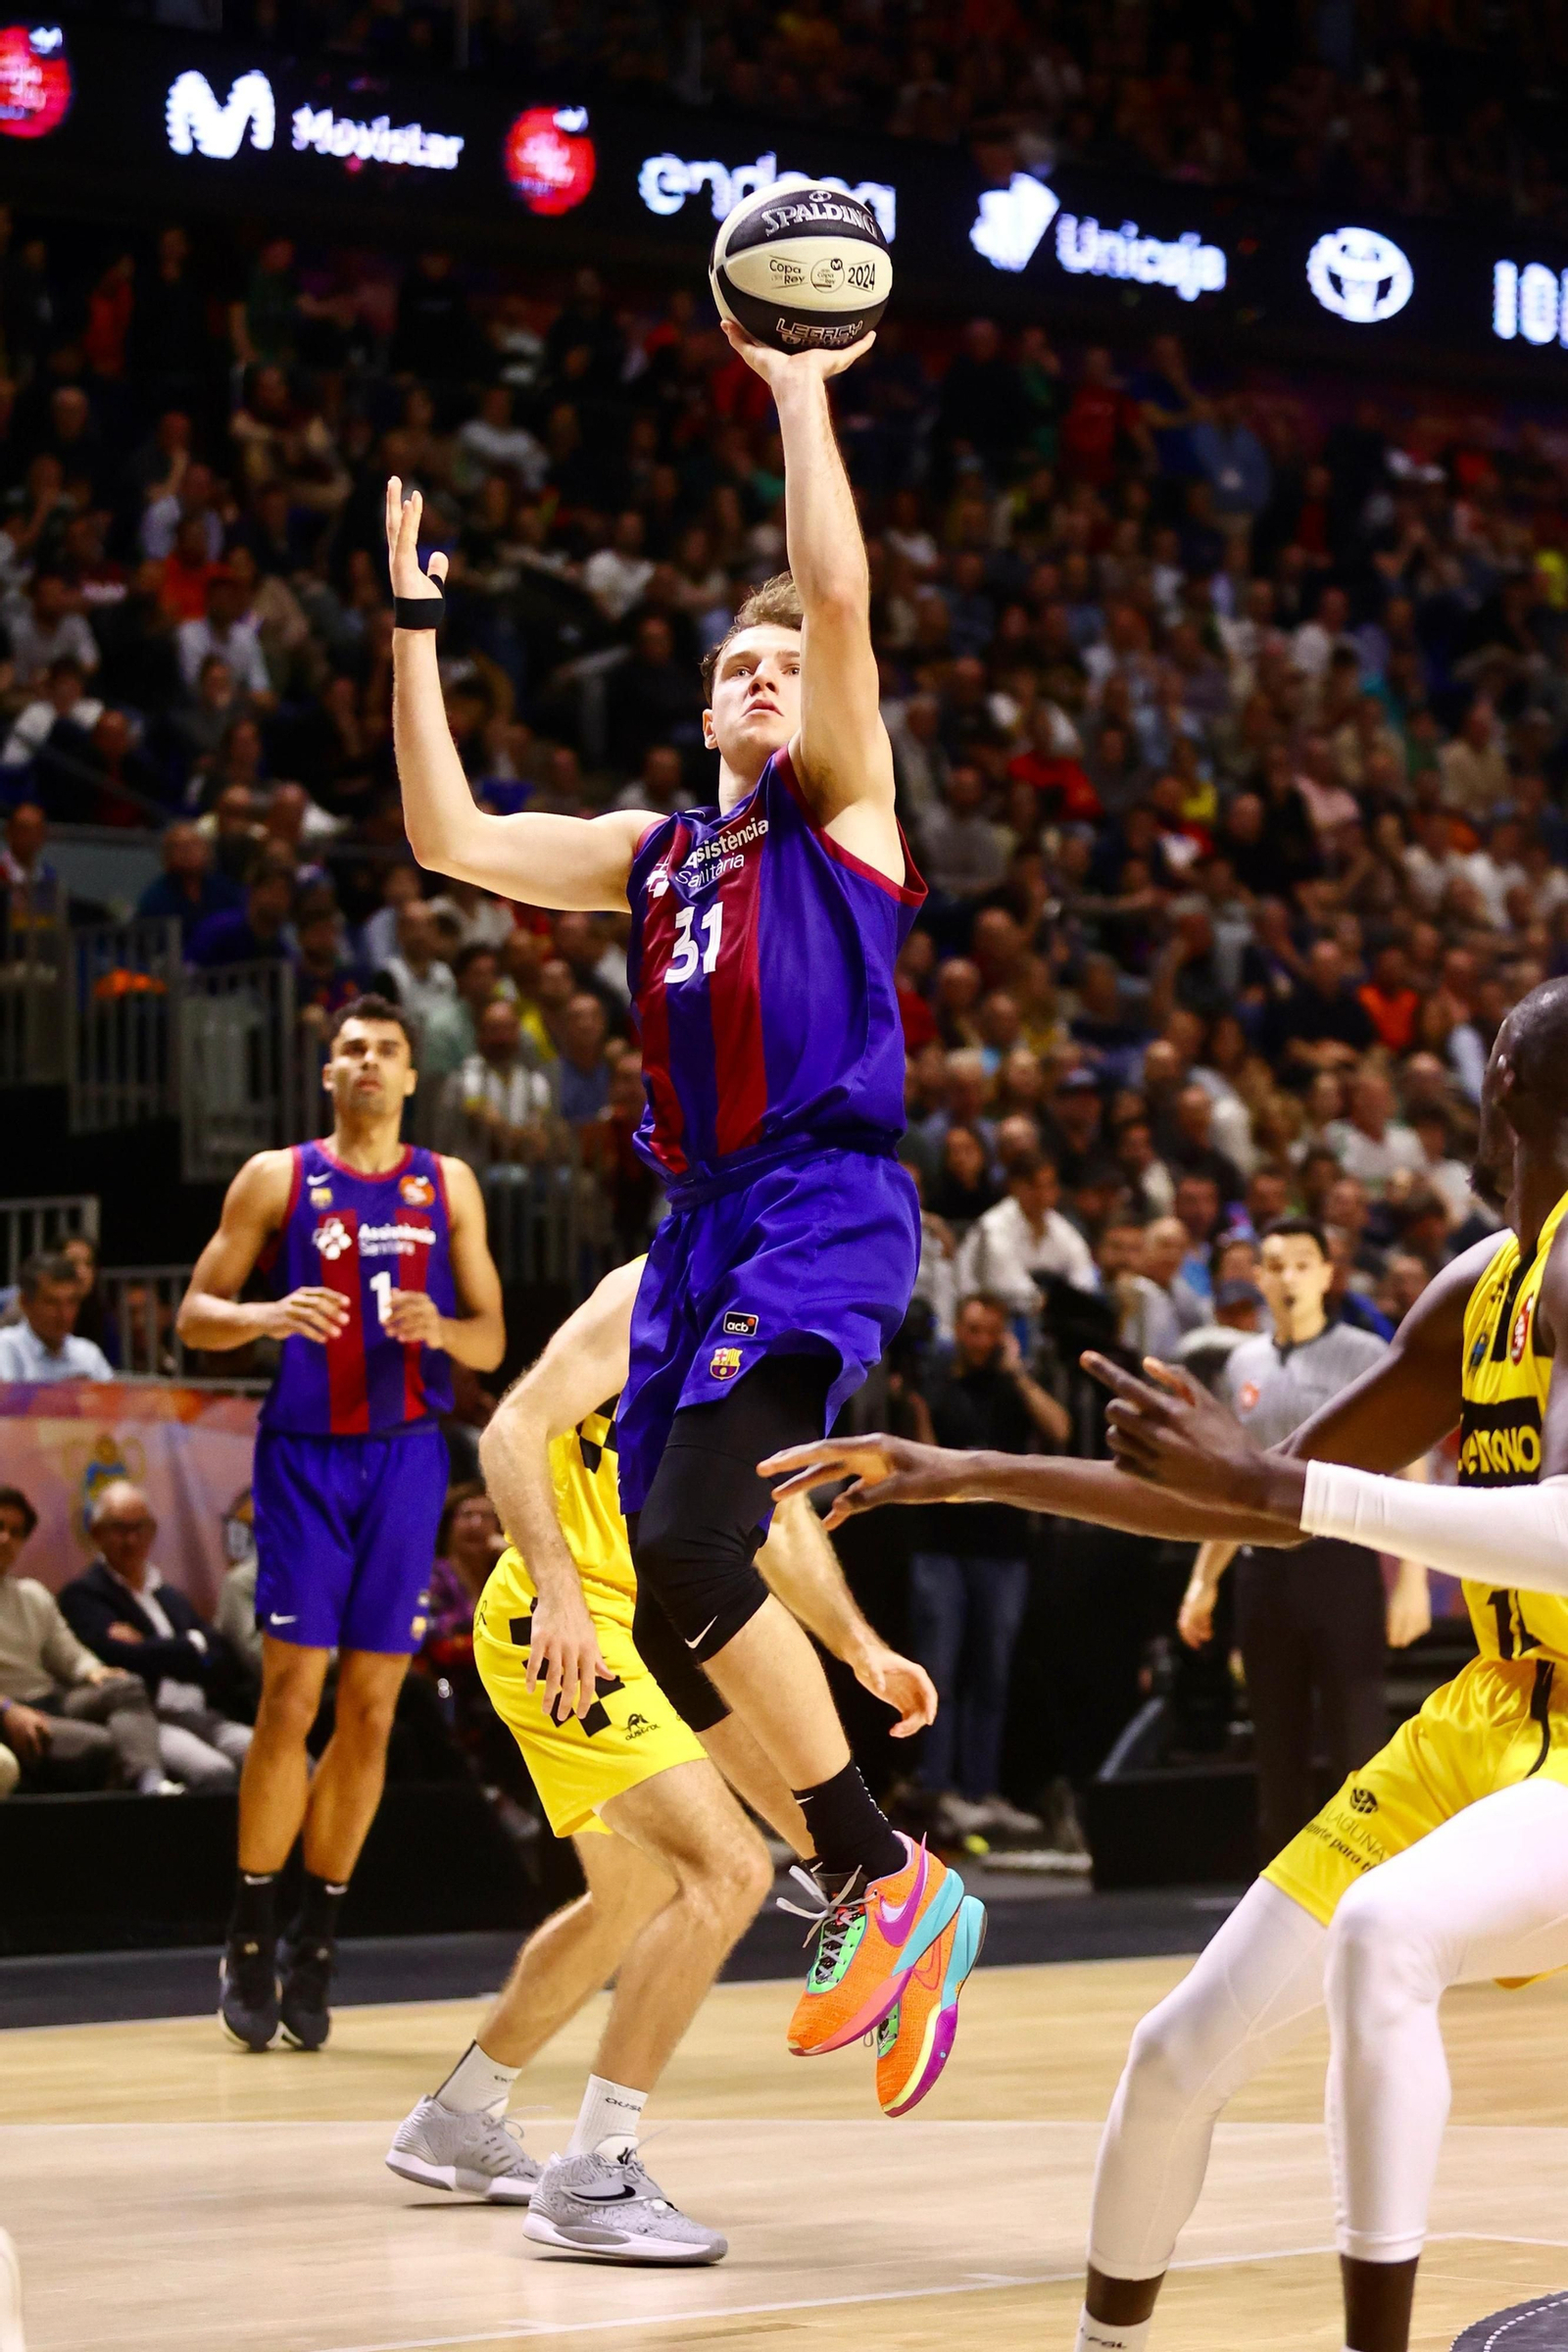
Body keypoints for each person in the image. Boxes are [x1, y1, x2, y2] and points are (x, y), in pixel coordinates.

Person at [764, 974, 1568, 2352]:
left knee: (1386, 1937)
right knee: (1176, 2054)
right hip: (1489, 1712)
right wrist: (960, 1469)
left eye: (1511, 1042)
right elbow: (1246, 1492)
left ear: (1520, 1087)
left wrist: (1280, 1494)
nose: (1490, 1058)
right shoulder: (1474, 1291)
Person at [385, 310, 986, 2077]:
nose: (759, 678)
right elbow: (450, 840)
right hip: (701, 1223)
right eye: (735, 664)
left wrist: (798, 389)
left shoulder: (842, 812)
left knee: (697, 1547)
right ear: (700, 698)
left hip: (818, 1199)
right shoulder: (655, 858)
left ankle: (882, 1882)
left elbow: (841, 598)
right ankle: (883, 1877)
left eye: (780, 667)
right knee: (667, 1588)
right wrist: (416, 632)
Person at [388, 1259, 941, 2258]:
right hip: (561, 1623)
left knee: (632, 1893)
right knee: (726, 1871)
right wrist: (556, 1588)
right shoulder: (652, 1287)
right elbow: (513, 1429)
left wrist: (857, 1644)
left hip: (648, 1631)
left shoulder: (782, 1319)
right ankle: (595, 2176)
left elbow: (772, 1521)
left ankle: (458, 2120)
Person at [175, 995, 506, 2053]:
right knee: (291, 1691)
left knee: (369, 1708)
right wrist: (270, 1313)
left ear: (413, 1077)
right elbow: (193, 1314)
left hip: (408, 1458)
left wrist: (442, 1327)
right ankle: (252, 1925)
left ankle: (320, 1931)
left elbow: (493, 1340)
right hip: (308, 1456)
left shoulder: (446, 1183)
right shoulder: (278, 1176)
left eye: (387, 1051)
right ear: (330, 1073)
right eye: (352, 1049)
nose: (368, 1063)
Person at [1173, 1218, 1429, 1857]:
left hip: (1342, 1566)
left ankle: (1372, 1899)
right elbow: (1232, 1486)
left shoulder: (1366, 1355)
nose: (1287, 1277)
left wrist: (1413, 1580)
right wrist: (1204, 1581)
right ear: (1257, 1276)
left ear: (1326, 1273)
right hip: (1264, 1571)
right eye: (1275, 1265)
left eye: (1300, 1264)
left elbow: (1411, 1462)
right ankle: (1286, 1924)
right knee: (1276, 1758)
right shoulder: (1241, 1363)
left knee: (1359, 1753)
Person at [906, 1294, 1067, 1839]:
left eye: (989, 1333)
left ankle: (980, 1790)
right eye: (971, 1330)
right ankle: (938, 1789)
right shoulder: (934, 1385)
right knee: (940, 1671)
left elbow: (1061, 1430)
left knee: (992, 1673)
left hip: (1002, 1549)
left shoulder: (1010, 1387)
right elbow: (923, 1460)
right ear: (958, 1329)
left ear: (1002, 1336)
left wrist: (1018, 1375)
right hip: (942, 1545)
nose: (979, 1341)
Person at [60, 1482, 255, 1791]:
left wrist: (160, 1649)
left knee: (277, 1757)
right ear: (96, 1533)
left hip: (203, 1713)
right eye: (120, 1529)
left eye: (140, 1528)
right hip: (147, 1721)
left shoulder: (169, 1595)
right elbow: (123, 1661)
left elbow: (222, 1656)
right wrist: (191, 1646)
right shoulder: (84, 1596)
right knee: (214, 1774)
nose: (132, 1540)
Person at [0, 1484, 175, 1797]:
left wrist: (94, 1671)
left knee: (126, 1686)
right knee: (103, 1744)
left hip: (49, 1700)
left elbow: (68, 1653)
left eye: (16, 1531)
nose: (5, 1539)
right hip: (9, 1709)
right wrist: (7, 1708)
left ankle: (152, 1784)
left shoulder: (31, 1595)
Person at [0, 1255, 113, 1384]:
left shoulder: (88, 1354)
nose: (64, 1314)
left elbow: (115, 1402)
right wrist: (63, 1394)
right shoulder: (5, 1347)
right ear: (25, 1303)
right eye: (52, 1303)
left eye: (71, 1302)